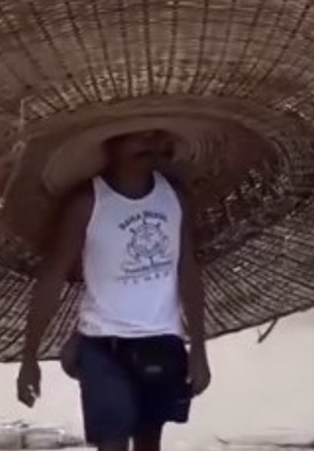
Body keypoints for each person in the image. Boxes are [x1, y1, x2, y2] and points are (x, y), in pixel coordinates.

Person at [16, 129, 211, 451]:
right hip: (103, 346)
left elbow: (187, 269)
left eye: (152, 139)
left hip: (162, 341)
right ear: (110, 146)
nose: (147, 145)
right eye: (137, 139)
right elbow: (52, 277)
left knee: (149, 443)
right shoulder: (87, 202)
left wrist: (200, 349)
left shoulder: (173, 195)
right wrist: (29, 357)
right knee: (111, 444)